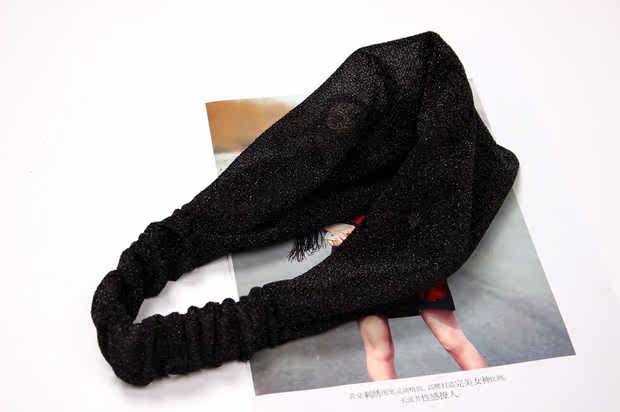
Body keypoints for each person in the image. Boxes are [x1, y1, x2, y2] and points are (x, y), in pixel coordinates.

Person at [299, 214, 488, 381]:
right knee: (380, 350)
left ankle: (494, 397)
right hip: (358, 260)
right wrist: (333, 229)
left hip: (411, 251)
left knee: (452, 340)